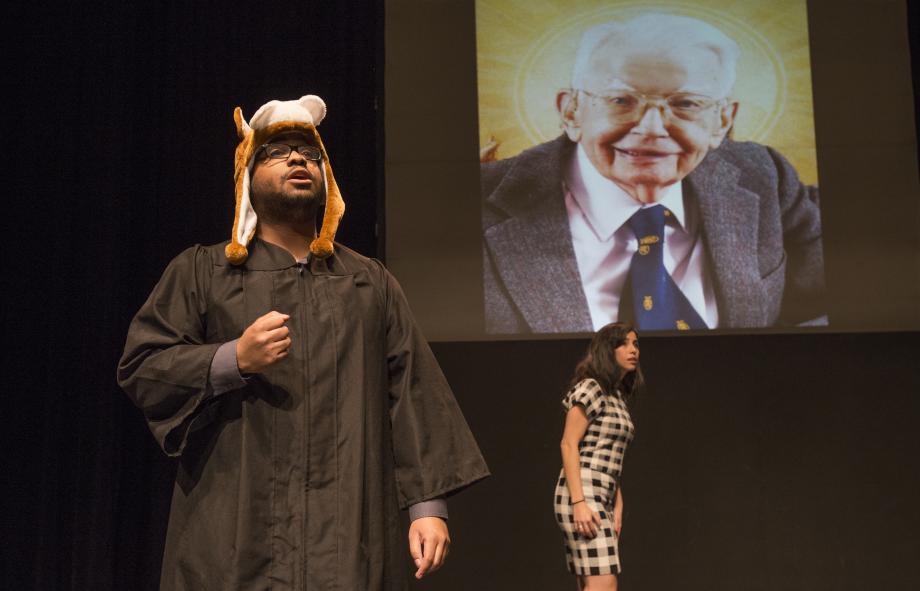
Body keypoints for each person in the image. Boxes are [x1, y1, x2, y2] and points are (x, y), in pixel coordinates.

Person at [118, 94, 489, 590]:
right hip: (235, 533)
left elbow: (411, 390)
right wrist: (232, 359)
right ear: (247, 175)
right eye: (278, 152)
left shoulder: (367, 283)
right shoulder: (203, 273)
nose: (298, 159)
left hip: (346, 533)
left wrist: (428, 508)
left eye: (311, 154)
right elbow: (145, 365)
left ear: (327, 181)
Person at [482, 13, 826, 333]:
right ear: (571, 111)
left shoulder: (763, 175)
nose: (651, 129)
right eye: (620, 100)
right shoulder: (476, 204)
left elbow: (831, 296)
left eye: (685, 104)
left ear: (722, 121)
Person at [554, 322, 641, 590]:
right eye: (624, 344)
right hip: (583, 493)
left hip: (602, 494)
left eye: (635, 344)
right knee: (604, 584)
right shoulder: (592, 388)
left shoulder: (616, 396)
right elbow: (569, 444)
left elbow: (608, 457)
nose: (633, 350)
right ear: (607, 350)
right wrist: (579, 502)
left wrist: (617, 504)